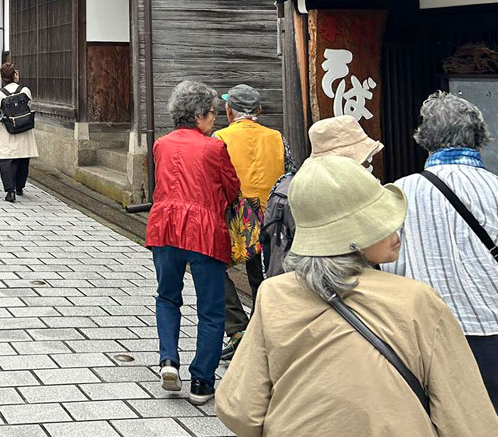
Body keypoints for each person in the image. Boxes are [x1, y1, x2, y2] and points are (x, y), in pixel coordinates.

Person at [217, 154, 498, 437]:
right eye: (377, 220)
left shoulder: (274, 295)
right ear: (350, 236)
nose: (395, 229)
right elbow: (469, 420)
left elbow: (240, 409)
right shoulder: (417, 300)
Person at [381, 93, 498, 435]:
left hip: (430, 330)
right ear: (479, 138)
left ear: (424, 138)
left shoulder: (400, 192)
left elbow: (391, 268)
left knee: (441, 420)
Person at [146, 80, 240, 404]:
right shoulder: (214, 147)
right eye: (213, 113)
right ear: (199, 114)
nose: (215, 119)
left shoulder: (161, 144)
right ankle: (202, 381)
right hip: (204, 230)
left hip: (165, 227)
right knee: (211, 310)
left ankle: (169, 360)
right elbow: (232, 189)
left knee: (167, 297)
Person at [214, 85, 293, 360]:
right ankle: (261, 329)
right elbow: (289, 174)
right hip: (274, 215)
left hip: (236, 216)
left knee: (214, 268)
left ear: (229, 111)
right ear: (258, 112)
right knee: (263, 274)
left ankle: (237, 330)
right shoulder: (277, 138)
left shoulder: (220, 137)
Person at [261, 115, 383, 279]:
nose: (366, 165)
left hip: (288, 279)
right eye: (364, 160)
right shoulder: (321, 195)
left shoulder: (291, 186)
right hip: (319, 285)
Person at [0, 62, 39, 202]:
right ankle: (20, 187)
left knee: (6, 161)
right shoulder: (25, 90)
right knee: (23, 158)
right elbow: (29, 106)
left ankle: (10, 191)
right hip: (23, 129)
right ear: (14, 75)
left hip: (7, 130)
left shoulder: (0, 93)